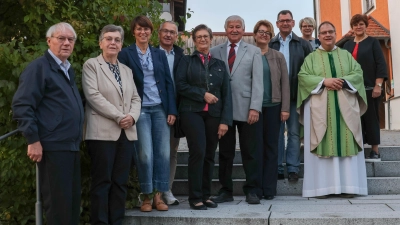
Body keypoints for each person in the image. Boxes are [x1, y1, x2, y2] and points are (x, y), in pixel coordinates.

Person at [11, 22, 84, 225]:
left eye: (71, 39)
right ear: (49, 41)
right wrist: (33, 139)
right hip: (53, 147)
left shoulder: (67, 69)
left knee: (71, 205)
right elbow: (22, 104)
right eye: (61, 38)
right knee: (58, 208)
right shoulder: (39, 68)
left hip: (70, 146)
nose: (67, 43)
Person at [297, 21, 368, 198]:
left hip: (345, 111)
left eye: (331, 31)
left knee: (346, 140)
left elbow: (358, 74)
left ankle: (350, 186)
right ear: (318, 36)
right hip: (321, 109)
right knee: (322, 142)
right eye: (324, 33)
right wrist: (324, 82)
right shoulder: (311, 58)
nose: (328, 35)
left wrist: (342, 81)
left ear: (336, 34)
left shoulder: (346, 55)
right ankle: (322, 188)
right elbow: (303, 77)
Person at [82, 25, 141, 224]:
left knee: (120, 183)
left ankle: (116, 221)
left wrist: (132, 117)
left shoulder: (126, 70)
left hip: (126, 133)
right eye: (108, 39)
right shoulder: (91, 65)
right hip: (102, 134)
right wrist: (119, 116)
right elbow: (93, 96)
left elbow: (136, 99)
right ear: (101, 43)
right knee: (102, 182)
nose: (112, 43)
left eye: (117, 40)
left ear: (122, 45)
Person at [118, 15, 177, 212]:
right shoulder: (126, 54)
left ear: (152, 32)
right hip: (139, 109)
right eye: (139, 29)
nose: (143, 32)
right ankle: (146, 196)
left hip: (160, 108)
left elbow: (168, 82)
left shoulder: (158, 54)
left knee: (163, 153)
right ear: (133, 32)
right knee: (145, 154)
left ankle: (159, 196)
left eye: (146, 29)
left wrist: (171, 109)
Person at [176, 24, 233, 210]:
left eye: (205, 36)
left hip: (214, 114)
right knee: (198, 151)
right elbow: (181, 85)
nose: (202, 39)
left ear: (210, 39)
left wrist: (225, 120)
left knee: (209, 154)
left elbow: (226, 94)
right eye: (199, 37)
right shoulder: (186, 61)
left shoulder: (219, 65)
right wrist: (203, 94)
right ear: (194, 40)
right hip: (191, 111)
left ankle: (206, 194)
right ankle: (195, 197)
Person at [210, 15, 263, 204]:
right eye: (230, 26)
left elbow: (258, 81)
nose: (234, 30)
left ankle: (253, 190)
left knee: (251, 152)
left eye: (238, 26)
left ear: (243, 29)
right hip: (223, 111)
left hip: (248, 109)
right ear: (225, 29)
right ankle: (226, 190)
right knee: (225, 153)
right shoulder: (214, 51)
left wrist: (255, 107)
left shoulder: (254, 51)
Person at [269, 10, 313, 182]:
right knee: (277, 133)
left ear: (293, 23)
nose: (285, 23)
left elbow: (310, 69)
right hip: (275, 96)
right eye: (282, 21)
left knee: (294, 132)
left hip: (296, 95)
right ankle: (278, 167)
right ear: (277, 23)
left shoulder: (303, 44)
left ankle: (293, 168)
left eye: (288, 21)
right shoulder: (271, 43)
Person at [253, 20, 290, 200]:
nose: (264, 34)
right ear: (255, 34)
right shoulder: (249, 54)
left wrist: (285, 108)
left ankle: (269, 189)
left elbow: (285, 84)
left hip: (274, 107)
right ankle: (256, 188)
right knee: (256, 148)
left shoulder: (278, 56)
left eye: (267, 32)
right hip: (254, 109)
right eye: (260, 31)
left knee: (271, 148)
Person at [343, 14, 388, 162]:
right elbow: (334, 52)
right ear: (352, 27)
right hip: (352, 90)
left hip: (370, 88)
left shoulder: (372, 42)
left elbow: (381, 64)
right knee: (356, 120)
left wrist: (378, 85)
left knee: (371, 118)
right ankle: (359, 148)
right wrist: (345, 37)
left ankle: (375, 151)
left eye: (361, 24)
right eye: (355, 25)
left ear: (365, 25)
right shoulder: (348, 45)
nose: (358, 27)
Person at [157, 21, 185, 205]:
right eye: (165, 31)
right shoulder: (151, 53)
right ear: (159, 34)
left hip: (176, 109)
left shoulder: (182, 55)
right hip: (156, 108)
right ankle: (152, 191)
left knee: (172, 151)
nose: (168, 35)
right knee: (155, 151)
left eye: (172, 32)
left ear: (177, 36)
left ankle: (167, 189)